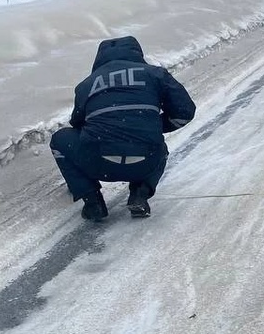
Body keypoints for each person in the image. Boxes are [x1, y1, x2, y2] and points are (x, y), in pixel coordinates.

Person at [50, 36, 196, 221]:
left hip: (97, 162)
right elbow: (185, 112)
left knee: (59, 140)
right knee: (160, 148)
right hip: (145, 162)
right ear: (136, 53)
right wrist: (153, 127)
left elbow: (77, 124)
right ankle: (140, 194)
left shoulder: (86, 85)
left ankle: (92, 201)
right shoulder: (155, 74)